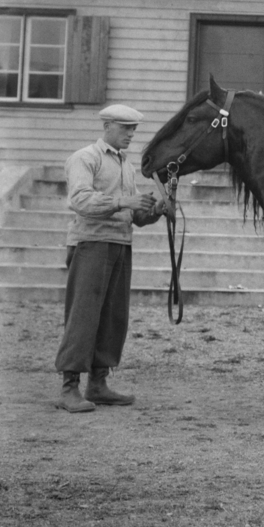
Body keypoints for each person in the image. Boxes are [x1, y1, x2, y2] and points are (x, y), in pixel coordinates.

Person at [54, 104, 169, 413]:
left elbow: (134, 215)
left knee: (112, 318)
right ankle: (68, 389)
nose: (131, 134)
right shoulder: (85, 158)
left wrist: (155, 210)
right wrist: (123, 201)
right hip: (91, 244)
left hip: (120, 244)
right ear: (107, 127)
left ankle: (98, 384)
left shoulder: (125, 165)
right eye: (124, 128)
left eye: (134, 129)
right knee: (84, 317)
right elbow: (80, 201)